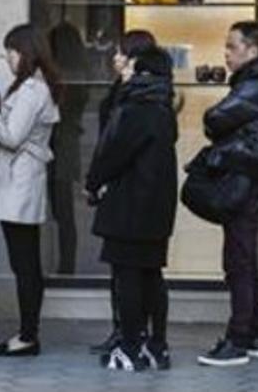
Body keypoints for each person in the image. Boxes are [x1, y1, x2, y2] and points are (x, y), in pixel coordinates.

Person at [197, 21, 258, 367]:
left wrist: (215, 124)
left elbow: (214, 119)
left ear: (252, 50)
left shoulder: (255, 87)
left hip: (244, 180)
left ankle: (239, 338)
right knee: (245, 256)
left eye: (231, 46)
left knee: (238, 260)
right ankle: (252, 331)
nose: (225, 53)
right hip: (250, 178)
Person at [85, 45, 178, 372]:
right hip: (157, 206)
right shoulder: (163, 107)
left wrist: (92, 182)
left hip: (129, 205)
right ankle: (157, 345)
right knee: (152, 274)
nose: (124, 68)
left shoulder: (136, 108)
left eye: (132, 64)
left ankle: (130, 347)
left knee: (128, 277)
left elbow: (112, 153)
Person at [0, 24, 61, 357]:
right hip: (22, 180)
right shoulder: (34, 87)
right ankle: (27, 332)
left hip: (20, 182)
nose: (8, 58)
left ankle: (28, 334)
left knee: (25, 263)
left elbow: (11, 137)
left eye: (11, 51)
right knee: (24, 261)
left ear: (25, 52)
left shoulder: (31, 90)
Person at [89, 29, 158, 356]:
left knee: (135, 271)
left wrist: (97, 178)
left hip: (131, 191)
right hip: (123, 189)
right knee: (125, 271)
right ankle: (128, 332)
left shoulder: (141, 99)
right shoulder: (127, 92)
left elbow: (120, 146)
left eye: (121, 52)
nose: (115, 58)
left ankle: (136, 339)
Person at [48, 22, 90, 276]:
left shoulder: (63, 77)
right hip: (67, 143)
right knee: (64, 214)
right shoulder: (79, 73)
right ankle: (66, 264)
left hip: (60, 144)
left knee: (62, 212)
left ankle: (66, 266)